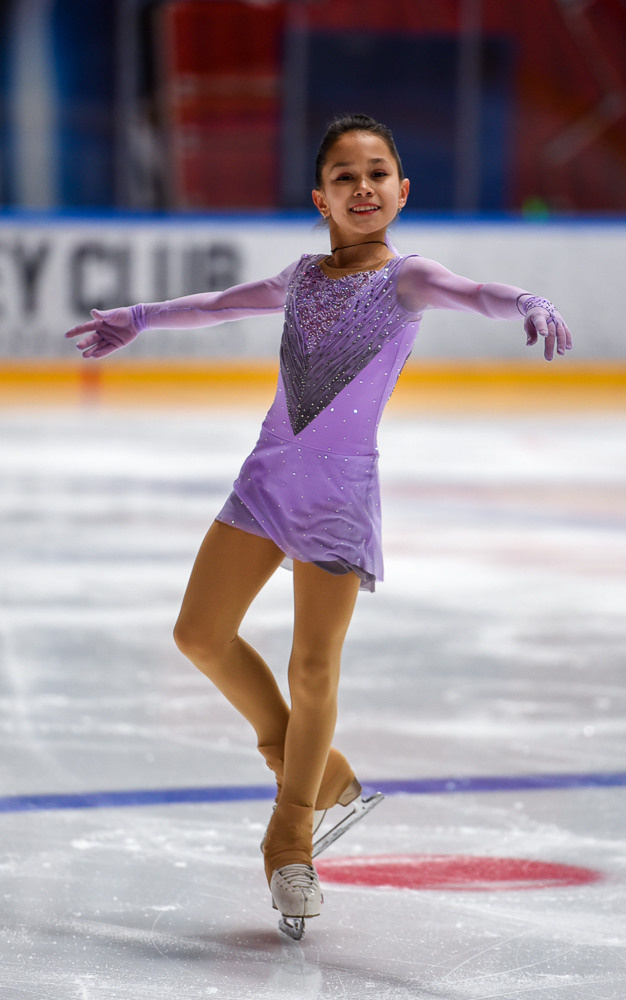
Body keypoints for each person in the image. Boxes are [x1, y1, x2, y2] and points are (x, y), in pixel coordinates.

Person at [66, 113, 573, 939]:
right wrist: (142, 316)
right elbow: (220, 305)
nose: (362, 187)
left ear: (402, 192)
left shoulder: (409, 278)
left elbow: (474, 292)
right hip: (269, 479)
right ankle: (306, 760)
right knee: (198, 634)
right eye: (345, 176)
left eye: (377, 174)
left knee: (313, 668)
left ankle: (291, 836)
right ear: (320, 198)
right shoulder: (301, 277)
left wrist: (525, 299)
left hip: (338, 496)